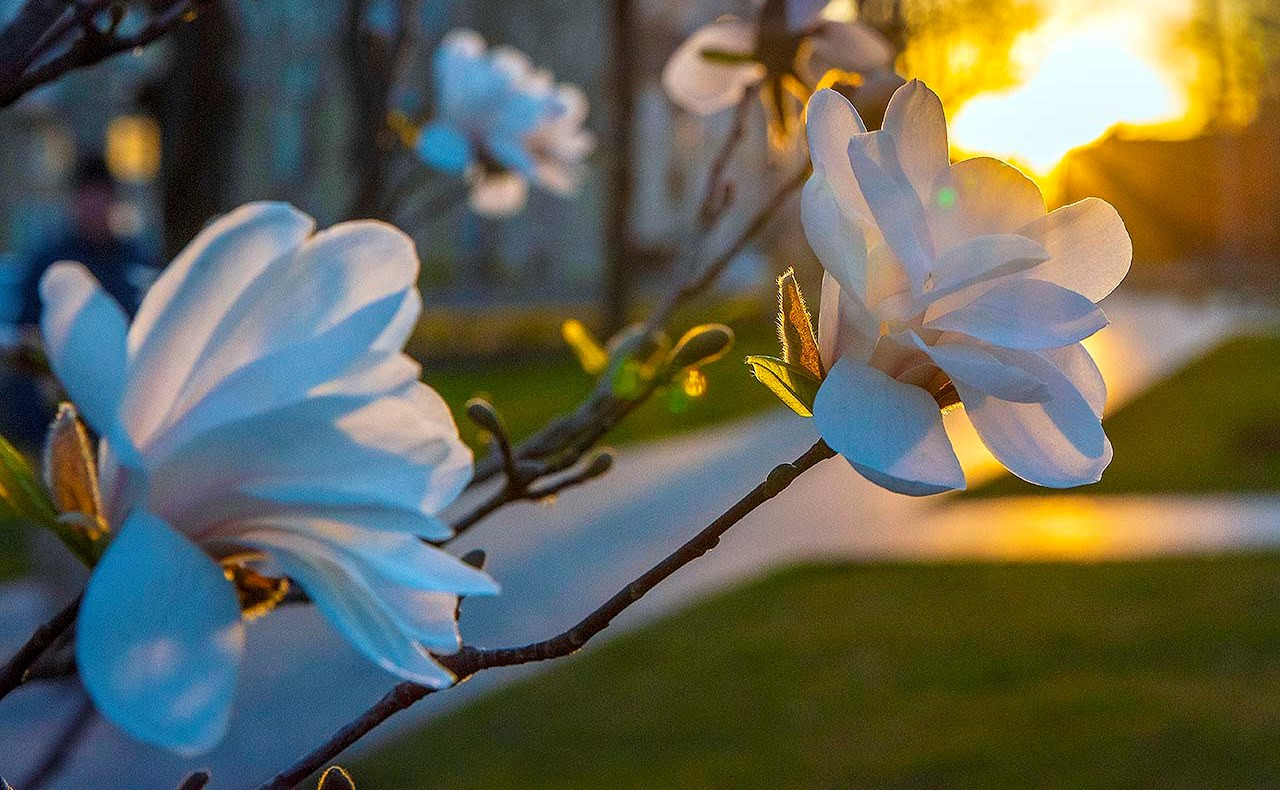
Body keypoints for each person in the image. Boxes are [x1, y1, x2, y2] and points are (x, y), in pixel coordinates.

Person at [2, 155, 154, 446]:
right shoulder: (47, 261)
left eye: (101, 197)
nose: (94, 208)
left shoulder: (134, 262)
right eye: (87, 198)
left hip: (119, 414)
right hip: (55, 416)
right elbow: (25, 333)